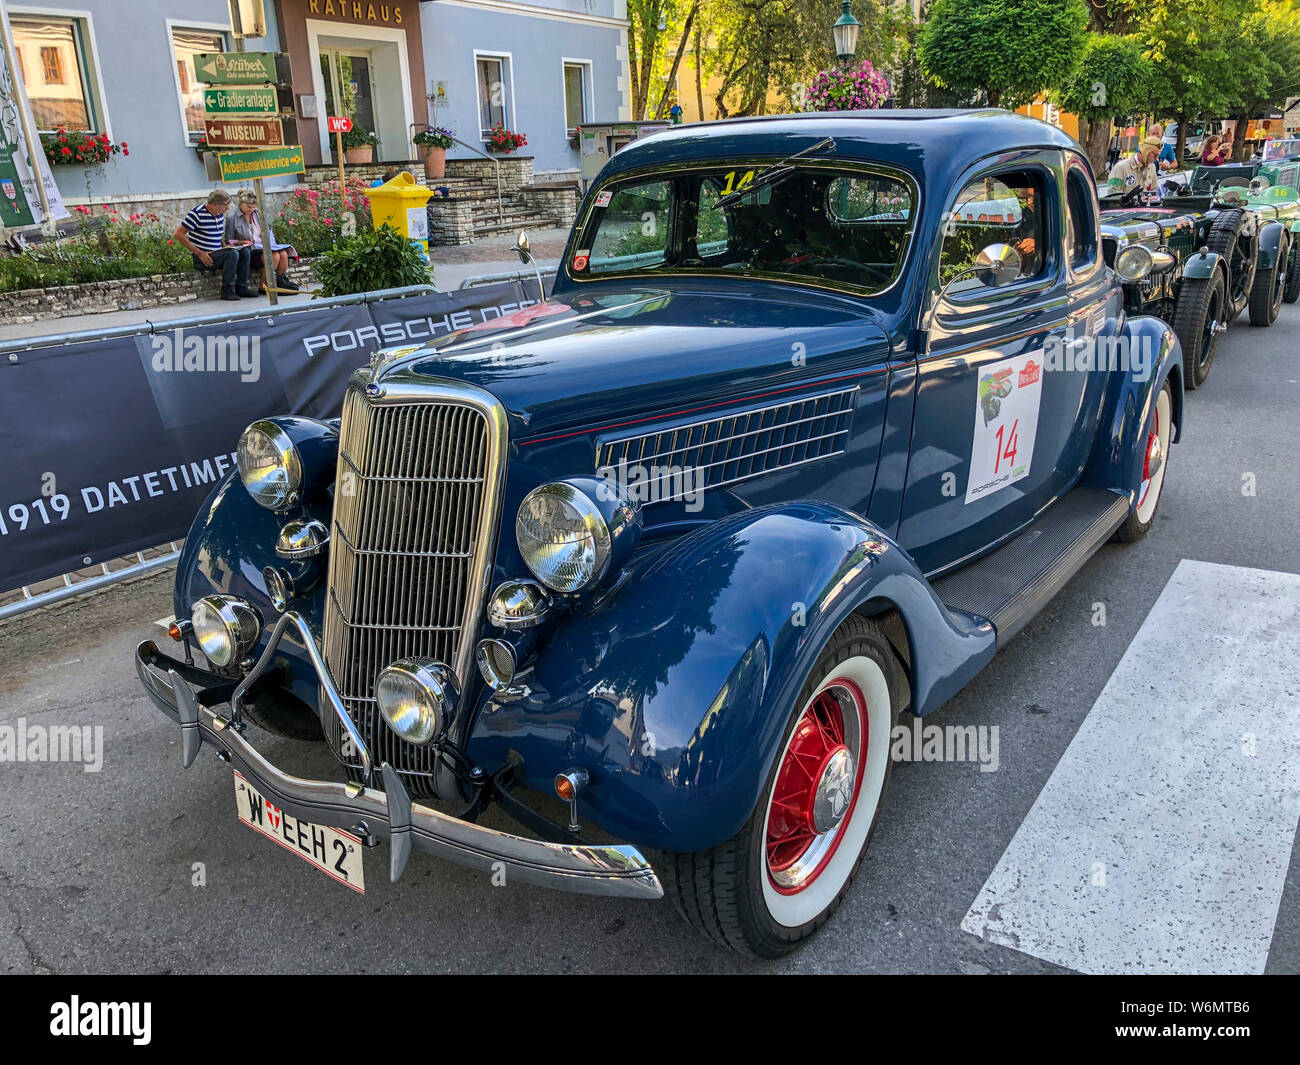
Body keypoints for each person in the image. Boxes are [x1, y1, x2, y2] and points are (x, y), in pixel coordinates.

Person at [174, 189, 254, 300]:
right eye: (226, 205)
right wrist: (199, 253)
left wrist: (225, 246)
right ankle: (227, 290)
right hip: (203, 258)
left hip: (217, 254)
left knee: (245, 252)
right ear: (214, 205)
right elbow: (178, 234)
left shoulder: (219, 214)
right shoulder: (197, 213)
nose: (228, 208)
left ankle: (242, 287)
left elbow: (218, 233)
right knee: (232, 254)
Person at [225, 189, 300, 294]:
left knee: (283, 253)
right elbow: (229, 241)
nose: (251, 209)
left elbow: (268, 232)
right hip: (249, 251)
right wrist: (242, 242)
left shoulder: (257, 214)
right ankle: (263, 286)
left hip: (262, 247)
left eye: (253, 207)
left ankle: (281, 282)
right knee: (274, 256)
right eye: (248, 207)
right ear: (241, 204)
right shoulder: (232, 217)